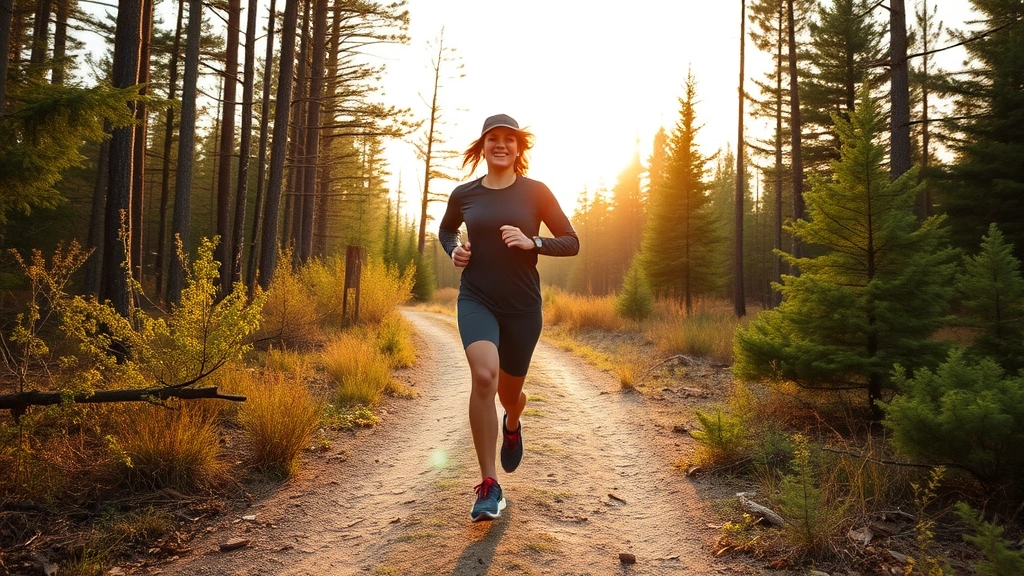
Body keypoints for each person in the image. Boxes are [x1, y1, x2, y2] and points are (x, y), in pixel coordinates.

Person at [438, 113, 579, 522]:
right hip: (476, 298)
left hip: (521, 307)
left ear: (519, 148)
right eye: (492, 139)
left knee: (508, 394)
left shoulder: (535, 193)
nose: (500, 145)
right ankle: (488, 485)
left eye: (508, 139)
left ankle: (513, 421)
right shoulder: (464, 194)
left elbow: (571, 241)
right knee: (484, 377)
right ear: (482, 147)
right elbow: (447, 231)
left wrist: (532, 240)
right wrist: (454, 251)